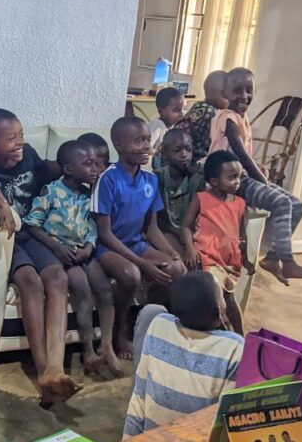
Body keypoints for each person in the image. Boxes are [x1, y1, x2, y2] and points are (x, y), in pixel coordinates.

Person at [0, 108, 80, 405]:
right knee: (30, 281)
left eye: (21, 135)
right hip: (6, 238)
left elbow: (54, 171)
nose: (19, 143)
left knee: (57, 277)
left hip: (31, 233)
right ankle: (43, 370)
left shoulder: (30, 158)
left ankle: (56, 367)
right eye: (11, 138)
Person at [211, 68, 302, 285]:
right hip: (231, 181)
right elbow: (239, 152)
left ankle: (272, 258)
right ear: (224, 93)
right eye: (237, 90)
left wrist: (257, 169)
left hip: (243, 176)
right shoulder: (227, 118)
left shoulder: (242, 118)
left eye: (249, 90)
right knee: (281, 202)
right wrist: (261, 178)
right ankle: (287, 261)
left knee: (297, 206)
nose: (244, 96)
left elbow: (243, 155)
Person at [24, 140, 119, 379]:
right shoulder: (51, 191)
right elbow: (32, 224)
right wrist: (56, 248)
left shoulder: (89, 195)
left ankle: (106, 346)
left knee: (105, 290)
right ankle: (88, 352)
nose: (95, 169)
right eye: (88, 164)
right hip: (64, 255)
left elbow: (91, 226)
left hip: (83, 252)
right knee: (84, 293)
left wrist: (89, 246)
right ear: (68, 169)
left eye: (96, 164)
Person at [92, 116, 186, 358]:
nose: (146, 146)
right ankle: (120, 331)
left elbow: (151, 228)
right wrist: (142, 263)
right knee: (131, 273)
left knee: (175, 269)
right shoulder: (108, 179)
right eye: (138, 141)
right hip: (108, 247)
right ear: (118, 144)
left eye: (147, 140)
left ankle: (148, 326)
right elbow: (104, 233)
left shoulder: (150, 180)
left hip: (136, 243)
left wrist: (171, 252)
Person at [123, 271, 244, 438]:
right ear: (219, 310)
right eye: (222, 296)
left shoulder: (159, 324)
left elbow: (139, 396)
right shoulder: (234, 347)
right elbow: (224, 421)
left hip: (150, 440)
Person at [181, 150, 250, 333]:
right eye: (232, 177)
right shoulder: (201, 199)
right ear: (214, 181)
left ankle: (240, 338)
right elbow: (186, 226)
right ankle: (223, 333)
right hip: (207, 256)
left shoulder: (239, 203)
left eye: (239, 177)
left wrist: (247, 257)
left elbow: (241, 233)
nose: (237, 182)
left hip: (229, 260)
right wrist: (190, 248)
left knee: (229, 299)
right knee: (216, 297)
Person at [155, 129, 206, 256]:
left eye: (188, 149)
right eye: (177, 150)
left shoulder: (197, 181)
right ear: (164, 153)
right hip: (163, 232)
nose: (184, 155)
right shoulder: (157, 178)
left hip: (190, 235)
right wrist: (176, 232)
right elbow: (155, 220)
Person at [173, 70, 229, 164]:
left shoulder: (200, 106)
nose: (230, 99)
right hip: (179, 164)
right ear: (212, 93)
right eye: (226, 95)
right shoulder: (212, 114)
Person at [149, 86, 186, 165]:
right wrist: (159, 153)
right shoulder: (157, 126)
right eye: (176, 110)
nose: (182, 114)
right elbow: (146, 147)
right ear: (160, 111)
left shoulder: (174, 127)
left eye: (184, 109)